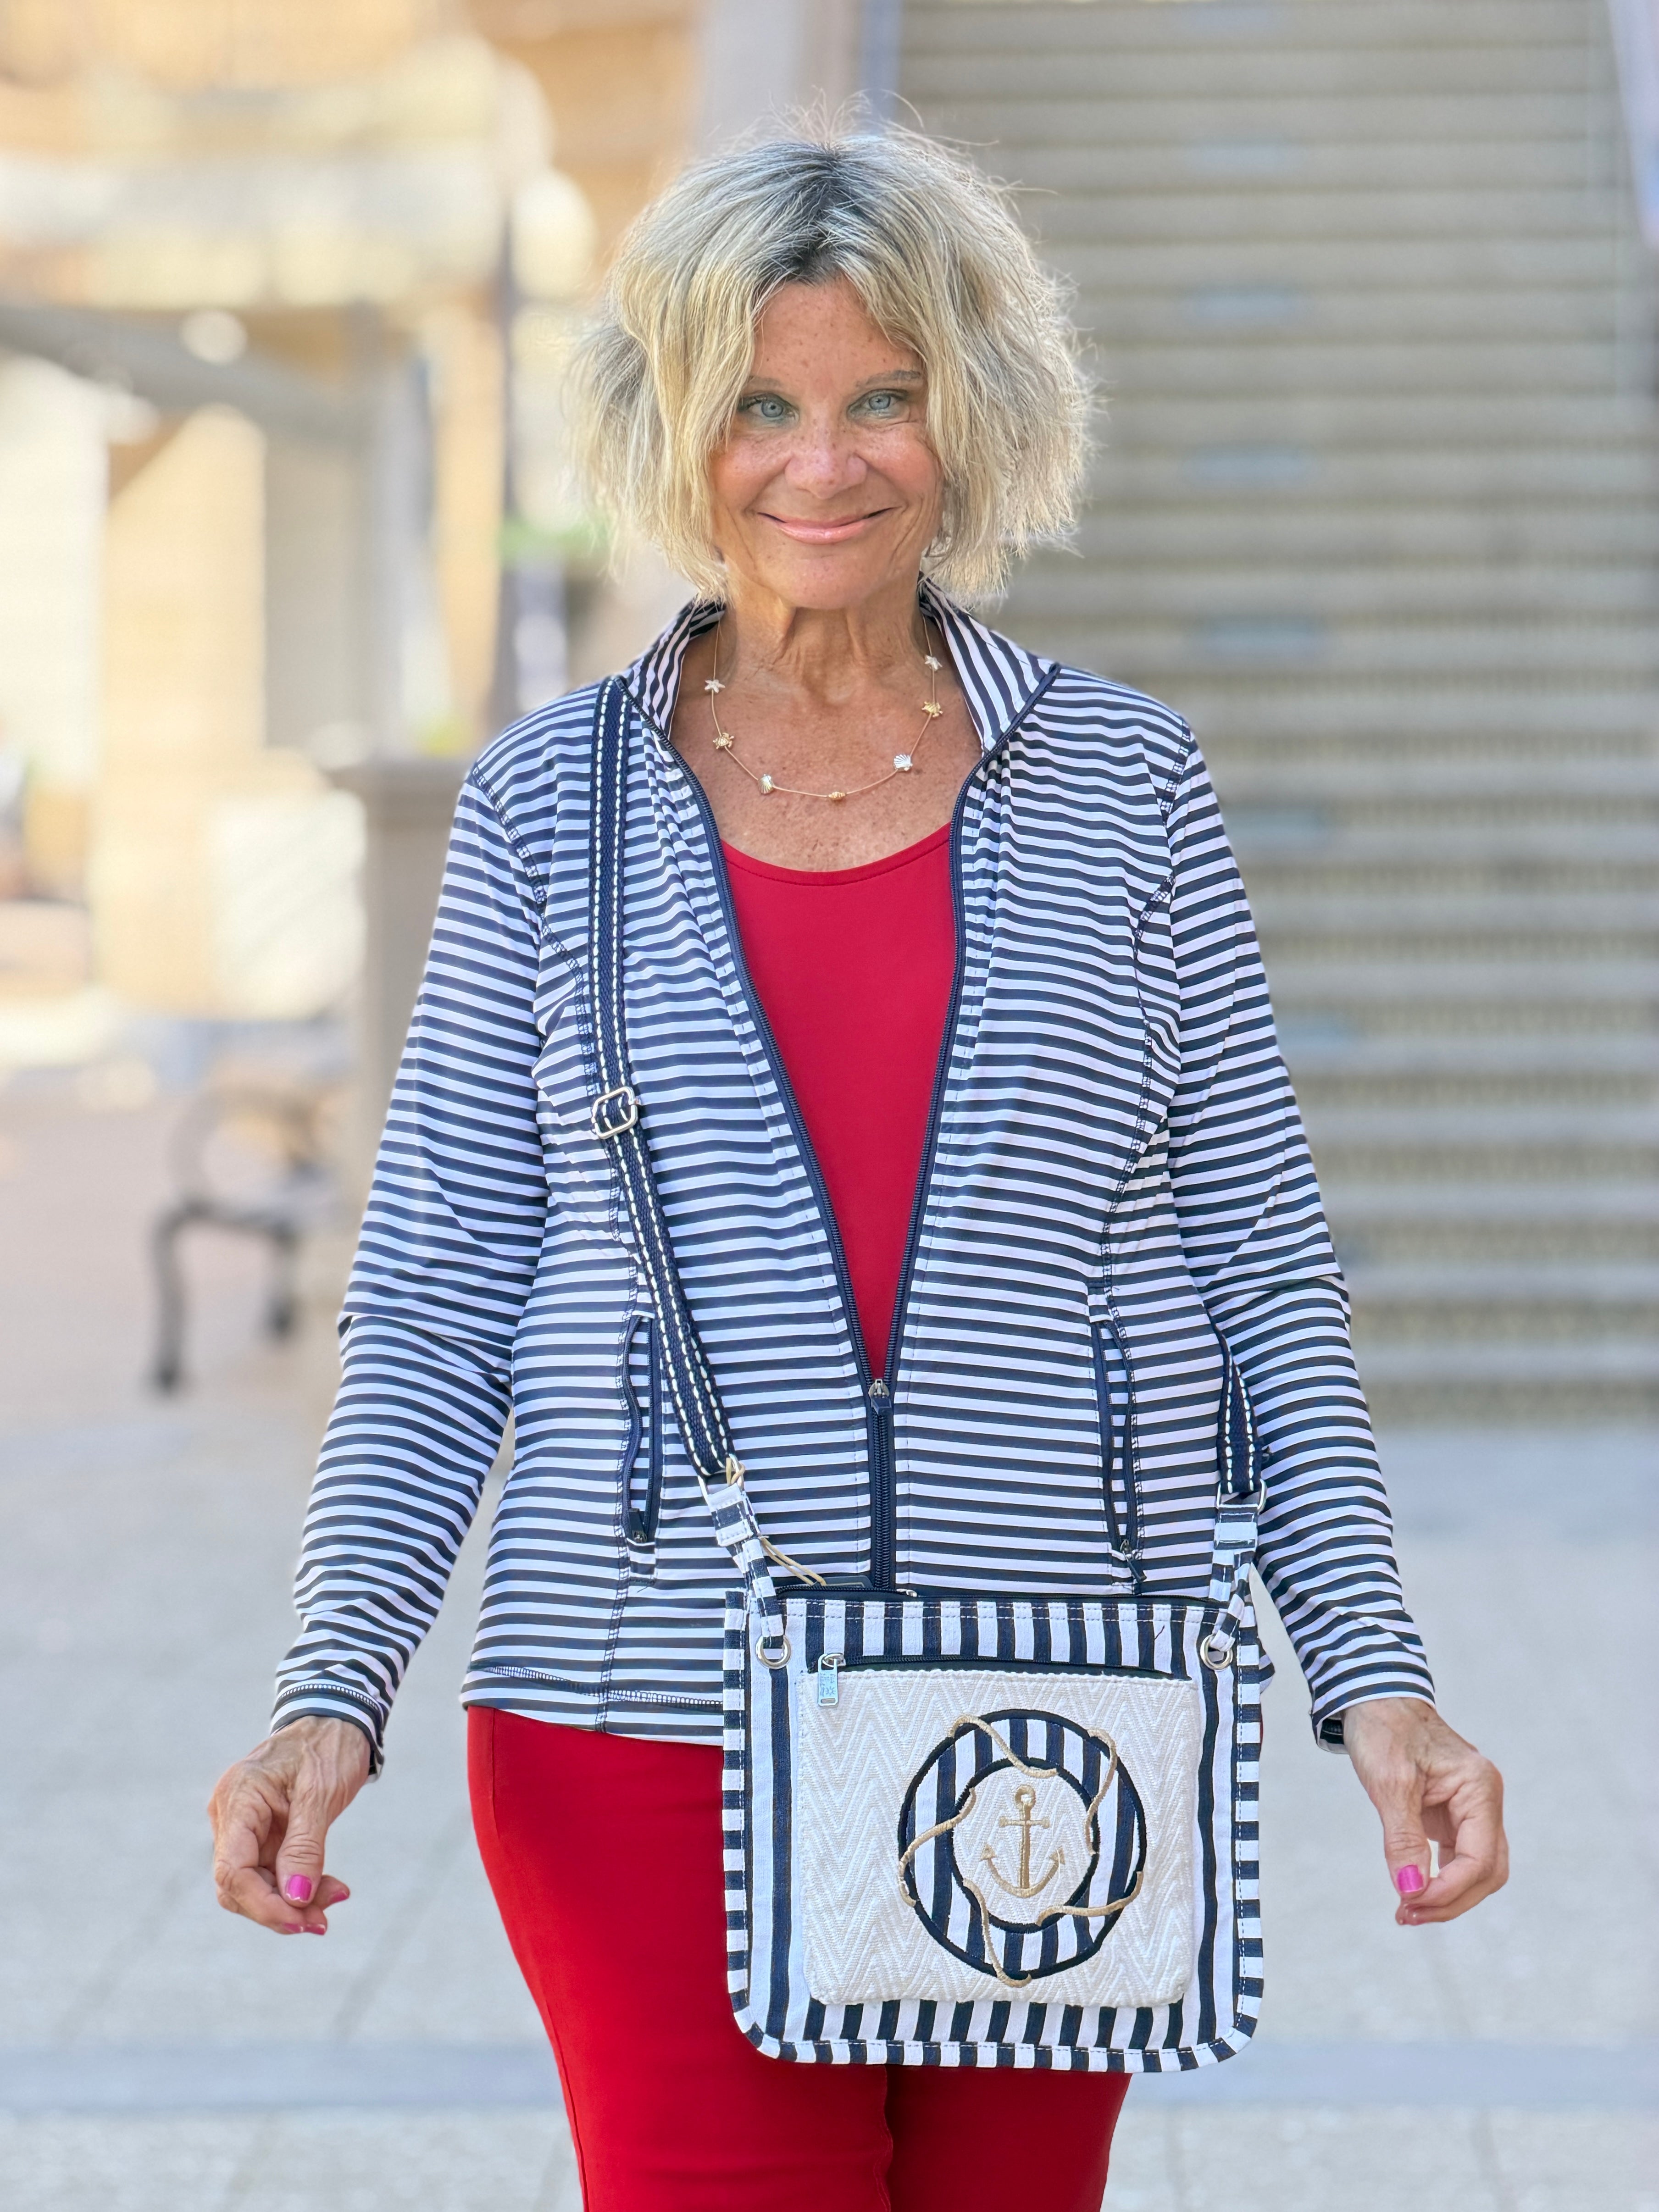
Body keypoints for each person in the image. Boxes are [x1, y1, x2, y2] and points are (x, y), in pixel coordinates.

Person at [209, 129, 1507, 2211]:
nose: (820, 464)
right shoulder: (549, 807)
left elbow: (1259, 1271)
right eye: (757, 403)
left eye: (880, 396)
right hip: (641, 1707)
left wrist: (1374, 1677)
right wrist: (329, 1686)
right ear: (673, 429)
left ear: (970, 410)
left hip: (1056, 1701)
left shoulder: (1127, 783)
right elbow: (440, 1292)